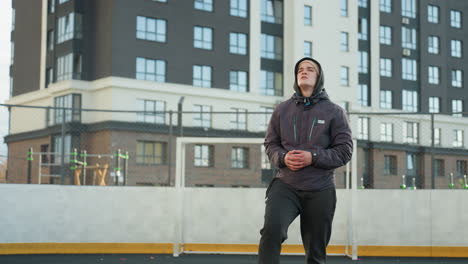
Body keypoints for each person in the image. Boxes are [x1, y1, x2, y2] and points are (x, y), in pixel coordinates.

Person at [258, 57, 353, 264]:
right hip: (285, 186)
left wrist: (313, 157)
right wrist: (282, 157)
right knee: (271, 232)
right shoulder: (282, 109)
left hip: (320, 189)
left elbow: (345, 151)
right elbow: (270, 144)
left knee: (316, 253)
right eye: (300, 69)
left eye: (310, 69)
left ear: (319, 78)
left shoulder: (334, 112)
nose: (304, 71)